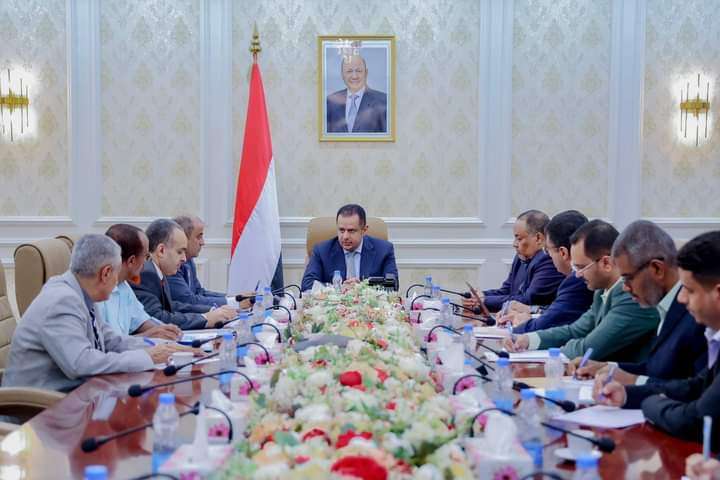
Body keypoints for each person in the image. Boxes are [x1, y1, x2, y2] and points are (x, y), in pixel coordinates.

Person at [1, 234, 188, 392]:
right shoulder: (61, 301)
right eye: (116, 274)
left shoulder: (81, 292)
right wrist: (147, 357)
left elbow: (109, 340)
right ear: (105, 273)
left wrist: (161, 346)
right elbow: (81, 364)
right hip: (38, 408)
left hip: (74, 397)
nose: (118, 282)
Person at [594, 231, 720, 448]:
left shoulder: (699, 326)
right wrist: (627, 395)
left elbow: (696, 419)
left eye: (689, 290)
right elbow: (697, 386)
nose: (682, 298)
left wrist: (650, 403)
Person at [570, 220, 706, 384]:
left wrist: (634, 381)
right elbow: (657, 369)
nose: (625, 287)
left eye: (628, 278)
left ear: (657, 269)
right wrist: (608, 367)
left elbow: (695, 388)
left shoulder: (697, 315)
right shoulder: (664, 304)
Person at [504, 220, 659, 362]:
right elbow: (575, 330)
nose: (577, 274)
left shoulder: (631, 297)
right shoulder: (601, 291)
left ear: (606, 263)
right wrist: (528, 339)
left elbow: (588, 348)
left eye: (581, 267)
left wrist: (559, 350)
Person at [498, 210, 594, 333]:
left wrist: (521, 324)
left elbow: (550, 322)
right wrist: (532, 311)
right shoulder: (580, 276)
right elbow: (557, 311)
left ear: (563, 252)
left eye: (547, 251)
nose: (548, 256)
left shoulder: (577, 279)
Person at [131, 219, 236, 330]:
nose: (184, 259)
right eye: (179, 252)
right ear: (161, 250)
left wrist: (211, 311)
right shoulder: (147, 273)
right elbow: (158, 318)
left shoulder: (158, 270)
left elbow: (171, 306)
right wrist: (205, 318)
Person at [469, 210, 565, 312]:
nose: (514, 244)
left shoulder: (548, 260)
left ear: (538, 238)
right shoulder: (521, 257)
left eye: (519, 239)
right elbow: (507, 291)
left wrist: (484, 300)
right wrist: (479, 297)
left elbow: (529, 300)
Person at [97, 224, 181, 340]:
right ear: (132, 261)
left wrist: (166, 330)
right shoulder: (96, 292)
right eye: (146, 256)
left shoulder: (124, 286)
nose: (147, 263)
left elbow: (141, 321)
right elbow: (104, 344)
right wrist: (146, 336)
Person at [301, 204, 398, 291]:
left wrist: (361, 288)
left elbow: (393, 285)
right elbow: (307, 284)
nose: (345, 236)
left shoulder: (384, 250)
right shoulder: (322, 250)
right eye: (341, 230)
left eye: (351, 231)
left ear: (364, 230)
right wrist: (338, 289)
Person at [168, 215, 252, 310]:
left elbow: (199, 292)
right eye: (198, 237)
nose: (202, 243)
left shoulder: (189, 260)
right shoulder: (170, 265)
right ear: (183, 238)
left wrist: (235, 298)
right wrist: (234, 303)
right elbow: (188, 300)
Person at [326, 54, 387, 133]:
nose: (354, 76)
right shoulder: (330, 102)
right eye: (349, 71)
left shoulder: (384, 101)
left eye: (358, 71)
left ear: (366, 73)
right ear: (342, 74)